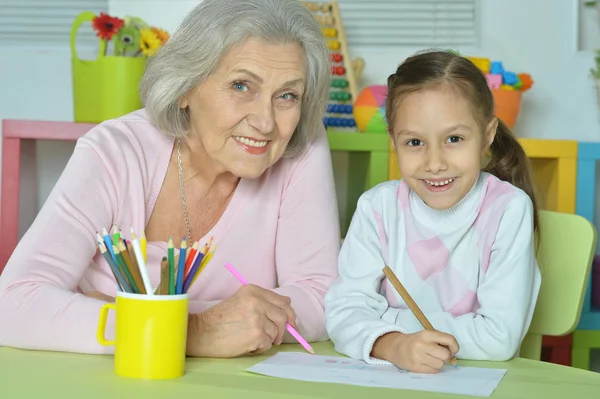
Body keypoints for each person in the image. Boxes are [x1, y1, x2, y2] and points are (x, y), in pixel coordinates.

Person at [0, 0, 340, 358]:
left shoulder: (299, 145)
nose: (266, 122)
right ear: (185, 88)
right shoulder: (115, 151)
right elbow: (12, 303)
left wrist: (119, 313)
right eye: (242, 86)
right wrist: (195, 331)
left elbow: (321, 297)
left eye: (287, 95)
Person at [325, 50, 542, 373]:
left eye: (454, 138)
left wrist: (389, 322)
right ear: (393, 141)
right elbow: (343, 312)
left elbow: (499, 337)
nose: (435, 163)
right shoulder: (377, 209)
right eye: (414, 142)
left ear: (487, 136)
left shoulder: (508, 209)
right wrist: (395, 346)